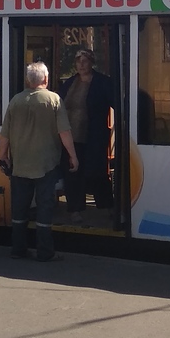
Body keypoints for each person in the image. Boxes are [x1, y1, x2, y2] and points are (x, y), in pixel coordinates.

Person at [0, 61, 78, 262]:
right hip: (46, 164)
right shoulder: (53, 100)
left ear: (28, 80)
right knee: (44, 208)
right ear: (46, 79)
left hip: (20, 165)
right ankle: (44, 251)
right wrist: (73, 156)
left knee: (20, 209)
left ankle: (18, 249)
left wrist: (3, 156)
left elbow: (5, 134)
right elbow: (64, 132)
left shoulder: (16, 101)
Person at [59, 49, 114, 220]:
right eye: (78, 61)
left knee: (96, 171)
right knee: (72, 174)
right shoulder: (69, 83)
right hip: (70, 137)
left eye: (85, 60)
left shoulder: (103, 83)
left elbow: (118, 105)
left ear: (92, 62)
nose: (81, 64)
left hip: (94, 137)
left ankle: (106, 206)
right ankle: (75, 209)